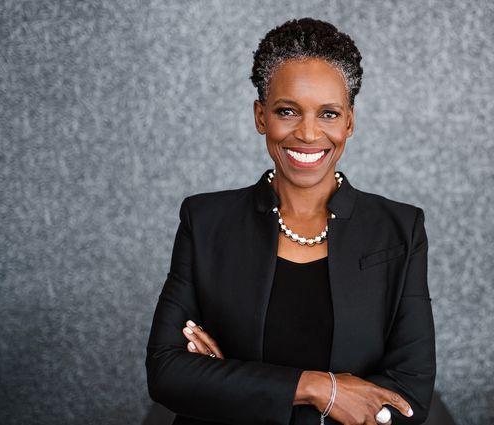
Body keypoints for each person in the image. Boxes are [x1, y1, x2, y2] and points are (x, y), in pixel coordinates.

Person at [145, 17, 435, 425]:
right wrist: (321, 389)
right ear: (261, 116)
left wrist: (232, 384)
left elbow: (409, 395)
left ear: (350, 122)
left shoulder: (399, 230)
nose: (309, 133)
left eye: (329, 114)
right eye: (287, 111)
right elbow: (167, 374)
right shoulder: (206, 221)